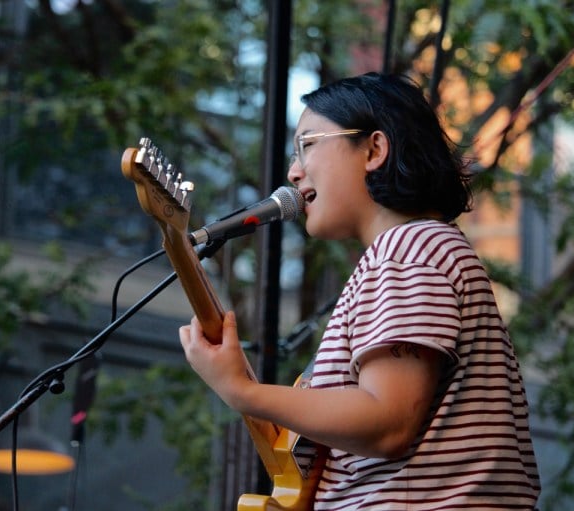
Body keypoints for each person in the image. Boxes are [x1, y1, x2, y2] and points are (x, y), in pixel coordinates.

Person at [179, 72, 541, 510]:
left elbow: (388, 423)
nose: (293, 171)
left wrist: (243, 391)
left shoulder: (409, 248)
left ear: (374, 149)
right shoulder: (417, 250)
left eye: (307, 144)